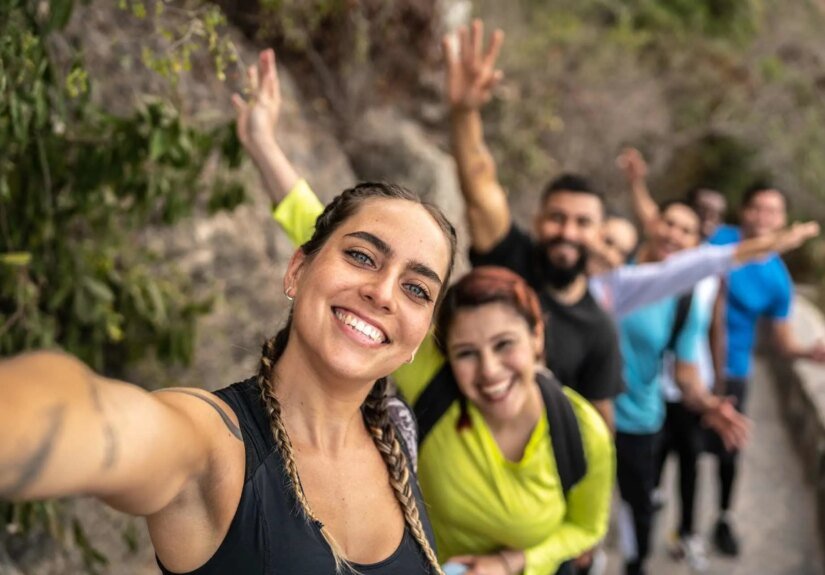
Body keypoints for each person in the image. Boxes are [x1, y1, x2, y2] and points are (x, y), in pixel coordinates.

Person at [235, 49, 614, 575]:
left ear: (537, 342)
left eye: (505, 346)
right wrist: (262, 143)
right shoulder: (436, 384)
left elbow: (587, 526)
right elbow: (320, 234)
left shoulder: (580, 429)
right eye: (466, 352)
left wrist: (517, 562)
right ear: (436, 349)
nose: (488, 371)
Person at [0, 180, 458, 575]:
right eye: (361, 256)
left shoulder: (394, 435)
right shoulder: (215, 445)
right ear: (297, 270)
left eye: (416, 289)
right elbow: (96, 418)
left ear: (418, 340)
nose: (382, 293)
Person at [618, 147, 727, 571]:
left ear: (694, 244)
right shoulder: (615, 268)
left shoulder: (685, 300)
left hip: (638, 420)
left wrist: (711, 401)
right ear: (653, 224)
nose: (674, 233)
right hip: (585, 412)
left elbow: (686, 373)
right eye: (669, 222)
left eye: (686, 231)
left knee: (637, 507)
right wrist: (635, 182)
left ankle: (636, 561)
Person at [706, 183, 825, 557]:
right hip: (689, 361)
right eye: (757, 208)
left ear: (782, 220)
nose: (763, 217)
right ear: (744, 211)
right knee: (681, 447)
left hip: (733, 371)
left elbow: (783, 341)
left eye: (772, 211)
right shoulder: (719, 241)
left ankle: (723, 517)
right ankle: (677, 520)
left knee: (728, 450)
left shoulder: (777, 280)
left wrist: (810, 352)